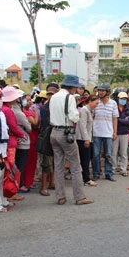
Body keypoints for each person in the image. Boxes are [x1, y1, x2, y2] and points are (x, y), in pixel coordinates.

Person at [49, 74, 94, 205]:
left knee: (58, 166)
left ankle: (60, 196)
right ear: (72, 87)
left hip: (54, 132)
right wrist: (78, 114)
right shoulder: (69, 97)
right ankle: (79, 197)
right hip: (66, 132)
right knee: (75, 165)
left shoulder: (54, 97)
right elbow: (74, 117)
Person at [0, 86, 26, 201]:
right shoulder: (7, 111)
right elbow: (13, 127)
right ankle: (9, 193)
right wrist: (21, 134)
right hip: (10, 143)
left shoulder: (2, 109)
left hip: (6, 142)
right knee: (9, 168)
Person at [92, 83, 119, 182]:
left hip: (108, 132)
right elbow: (92, 116)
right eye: (100, 90)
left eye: (103, 90)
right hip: (96, 132)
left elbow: (115, 118)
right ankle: (96, 173)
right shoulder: (96, 102)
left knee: (108, 154)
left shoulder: (113, 103)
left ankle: (108, 173)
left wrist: (115, 131)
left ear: (107, 92)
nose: (101, 92)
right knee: (96, 154)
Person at [37, 83, 58, 196]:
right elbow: (47, 122)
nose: (50, 96)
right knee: (46, 163)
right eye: (49, 94)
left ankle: (52, 182)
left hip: (54, 134)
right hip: (46, 136)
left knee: (54, 161)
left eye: (52, 94)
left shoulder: (56, 105)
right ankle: (43, 187)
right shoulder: (45, 107)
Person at [76, 95, 99, 186]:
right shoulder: (84, 110)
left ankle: (84, 177)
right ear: (90, 101)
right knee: (85, 159)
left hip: (88, 138)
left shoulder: (90, 111)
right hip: (82, 138)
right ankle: (86, 179)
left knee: (88, 157)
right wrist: (86, 139)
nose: (96, 105)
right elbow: (82, 125)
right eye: (96, 103)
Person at [13, 91, 32, 193]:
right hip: (22, 142)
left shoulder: (13, 110)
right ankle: (19, 185)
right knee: (21, 164)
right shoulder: (19, 113)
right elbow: (29, 128)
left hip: (17, 141)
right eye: (24, 98)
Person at [112, 92, 129, 177]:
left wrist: (118, 119)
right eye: (121, 98)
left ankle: (123, 169)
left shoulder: (128, 109)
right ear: (118, 99)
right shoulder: (114, 107)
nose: (123, 100)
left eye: (124, 99)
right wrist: (123, 119)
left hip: (124, 132)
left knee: (124, 153)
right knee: (113, 152)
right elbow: (112, 119)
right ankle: (112, 168)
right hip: (115, 132)